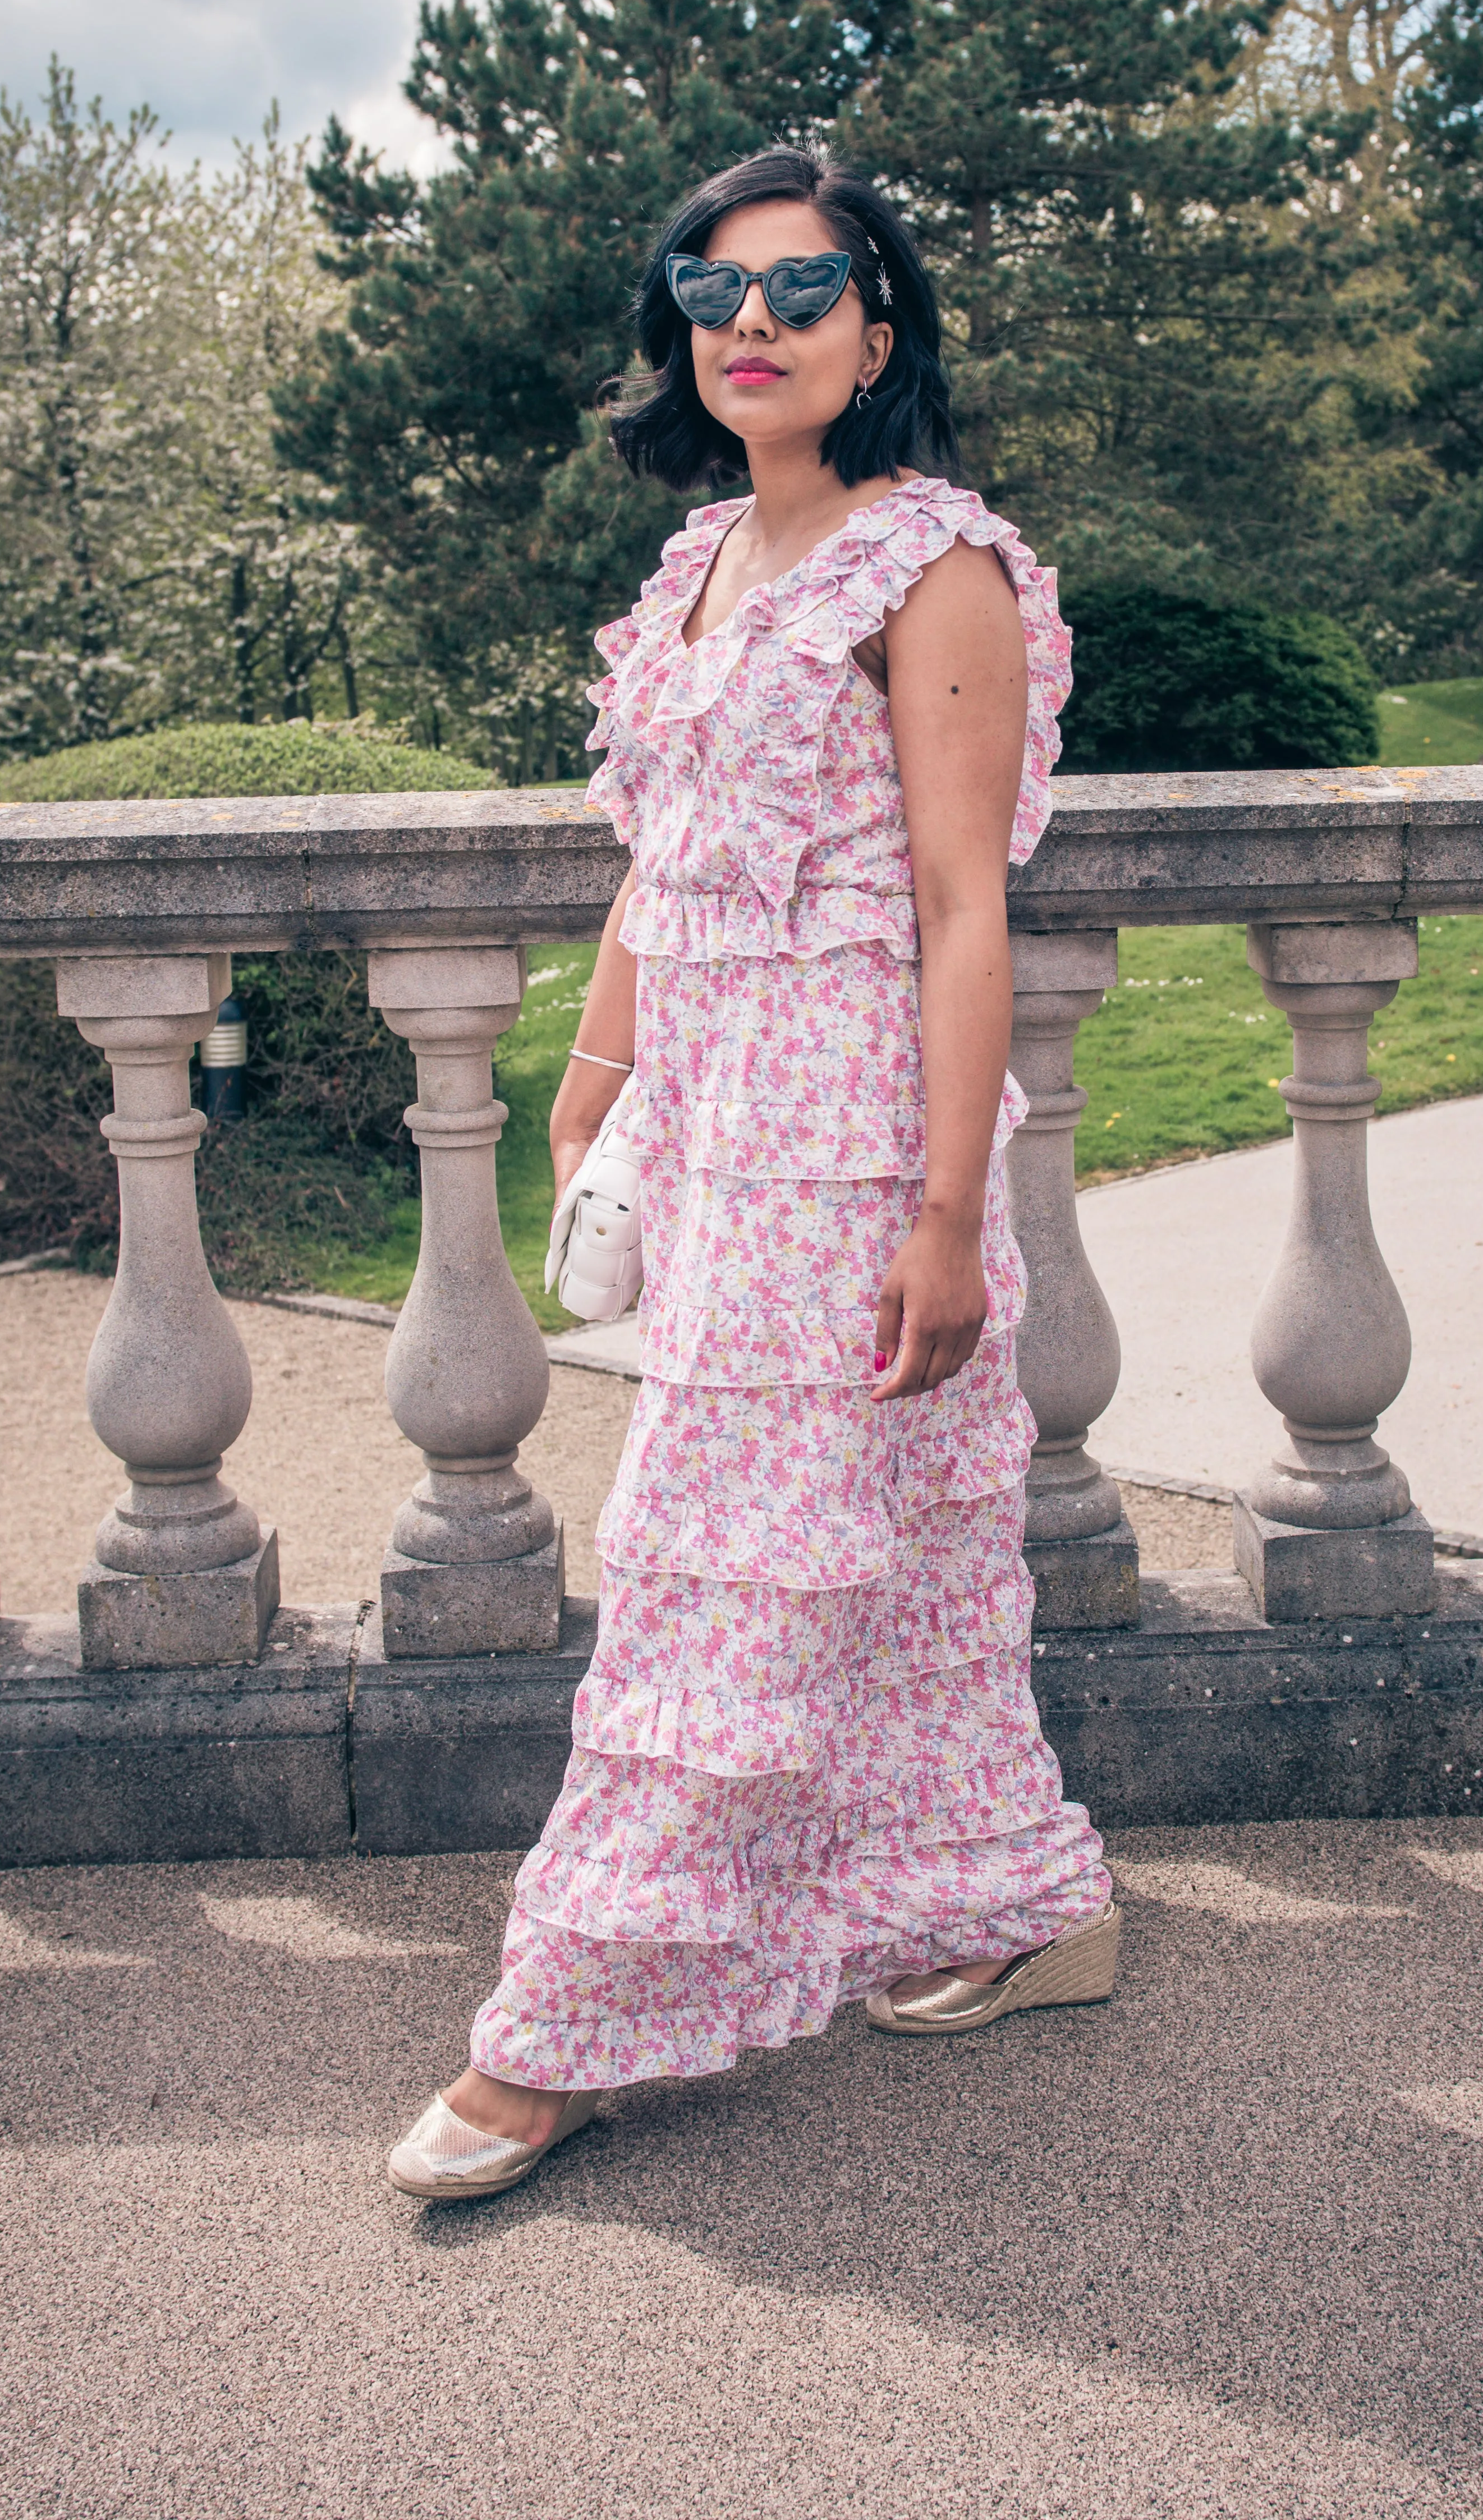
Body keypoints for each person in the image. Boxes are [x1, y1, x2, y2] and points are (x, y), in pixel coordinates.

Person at [388, 146, 1117, 2202]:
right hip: (712, 1119)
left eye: (803, 291)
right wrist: (598, 1071)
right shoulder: (702, 564)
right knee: (879, 1551)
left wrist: (951, 1213)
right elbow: (665, 850)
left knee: (720, 1562)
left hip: (848, 1128)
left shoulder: (937, 566)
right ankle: (1011, 1898)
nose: (756, 330)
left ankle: (565, 2025)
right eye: (715, 300)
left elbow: (968, 909)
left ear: (881, 326)